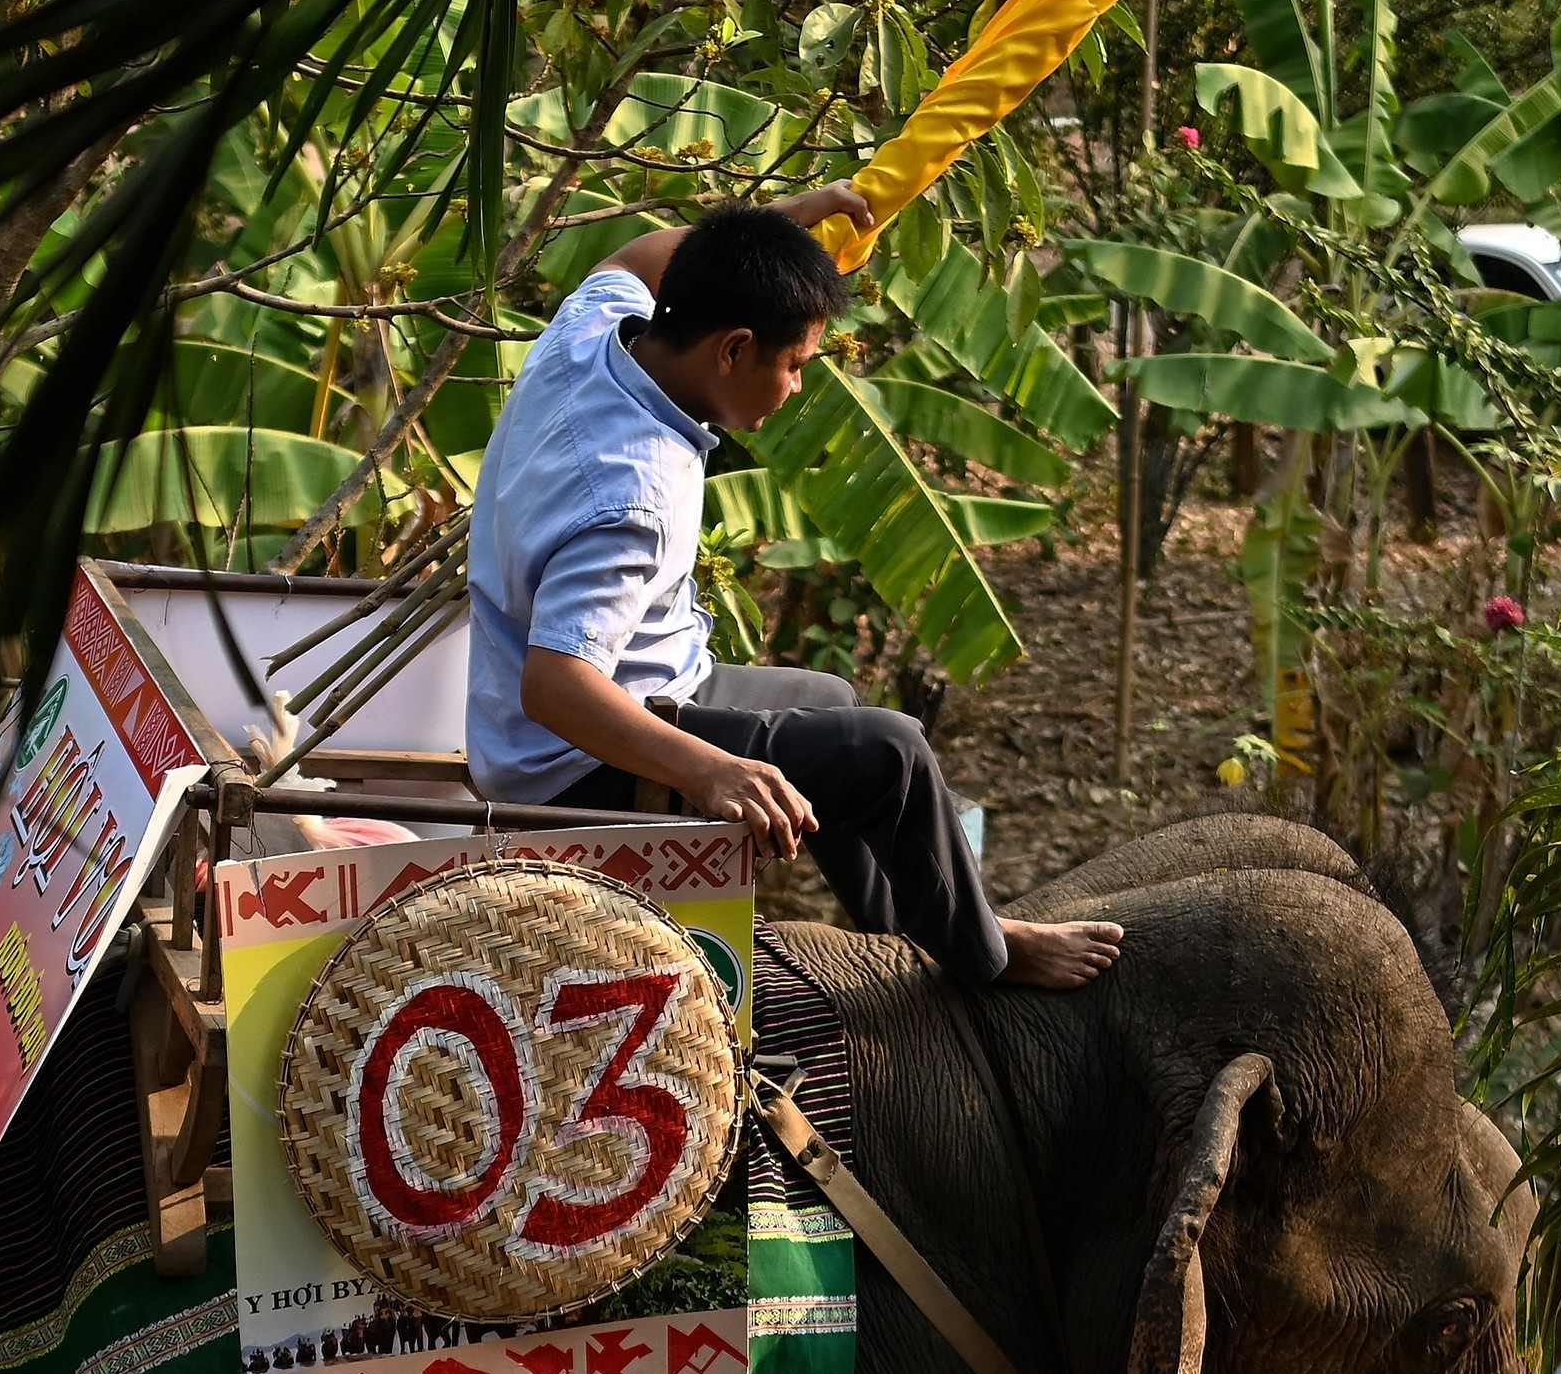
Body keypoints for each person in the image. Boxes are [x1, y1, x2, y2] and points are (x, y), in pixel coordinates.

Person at [463, 187, 1125, 990]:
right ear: (734, 350)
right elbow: (556, 687)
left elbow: (640, 256)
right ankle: (989, 962)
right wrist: (709, 769)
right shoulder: (631, 496)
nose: (800, 389)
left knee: (833, 703)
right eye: (797, 365)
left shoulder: (592, 333)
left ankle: (918, 924)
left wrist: (772, 229)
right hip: (574, 759)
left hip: (647, 681)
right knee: (894, 753)